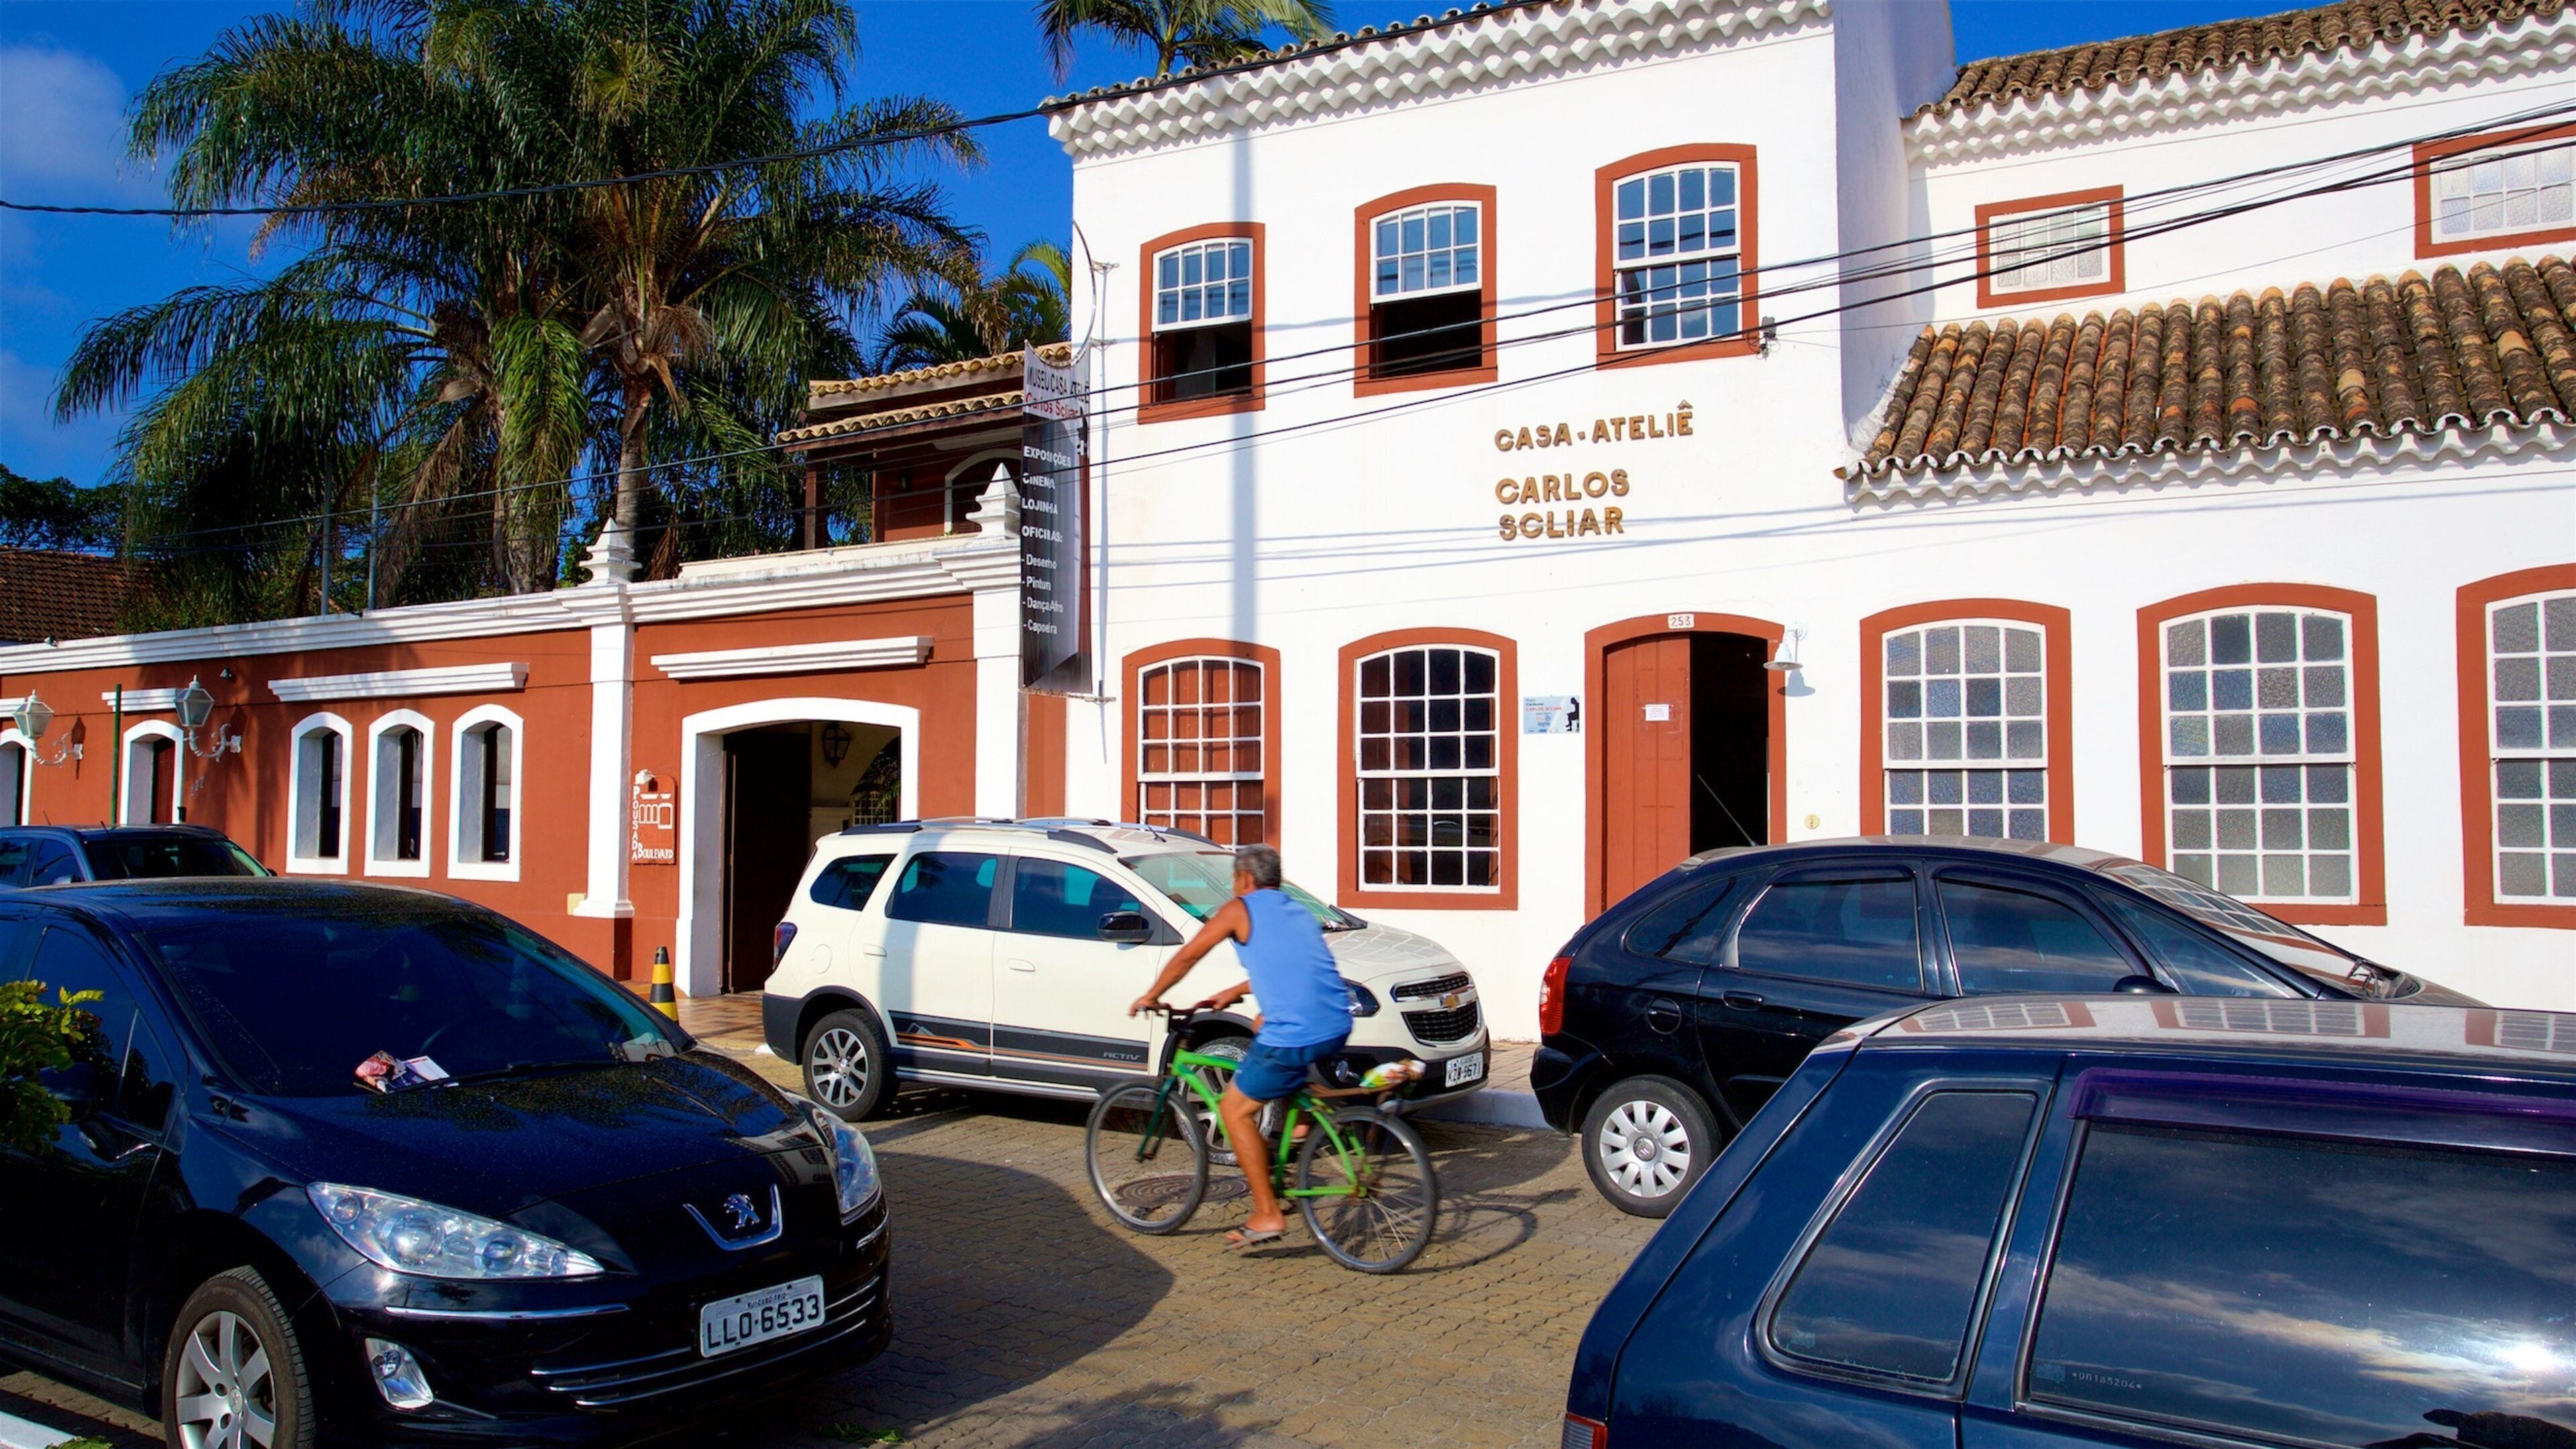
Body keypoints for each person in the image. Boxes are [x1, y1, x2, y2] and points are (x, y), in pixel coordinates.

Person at [1128, 843, 1349, 1249]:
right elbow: (1291, 964)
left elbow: (1187, 956)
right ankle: (1301, 1129)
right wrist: (1237, 989)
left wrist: (1152, 994)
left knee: (1234, 1110)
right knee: (1267, 1031)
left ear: (1244, 878)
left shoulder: (1239, 909)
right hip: (1336, 1024)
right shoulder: (1297, 910)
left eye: (1234, 878)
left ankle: (1267, 1215)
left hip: (1295, 1033)